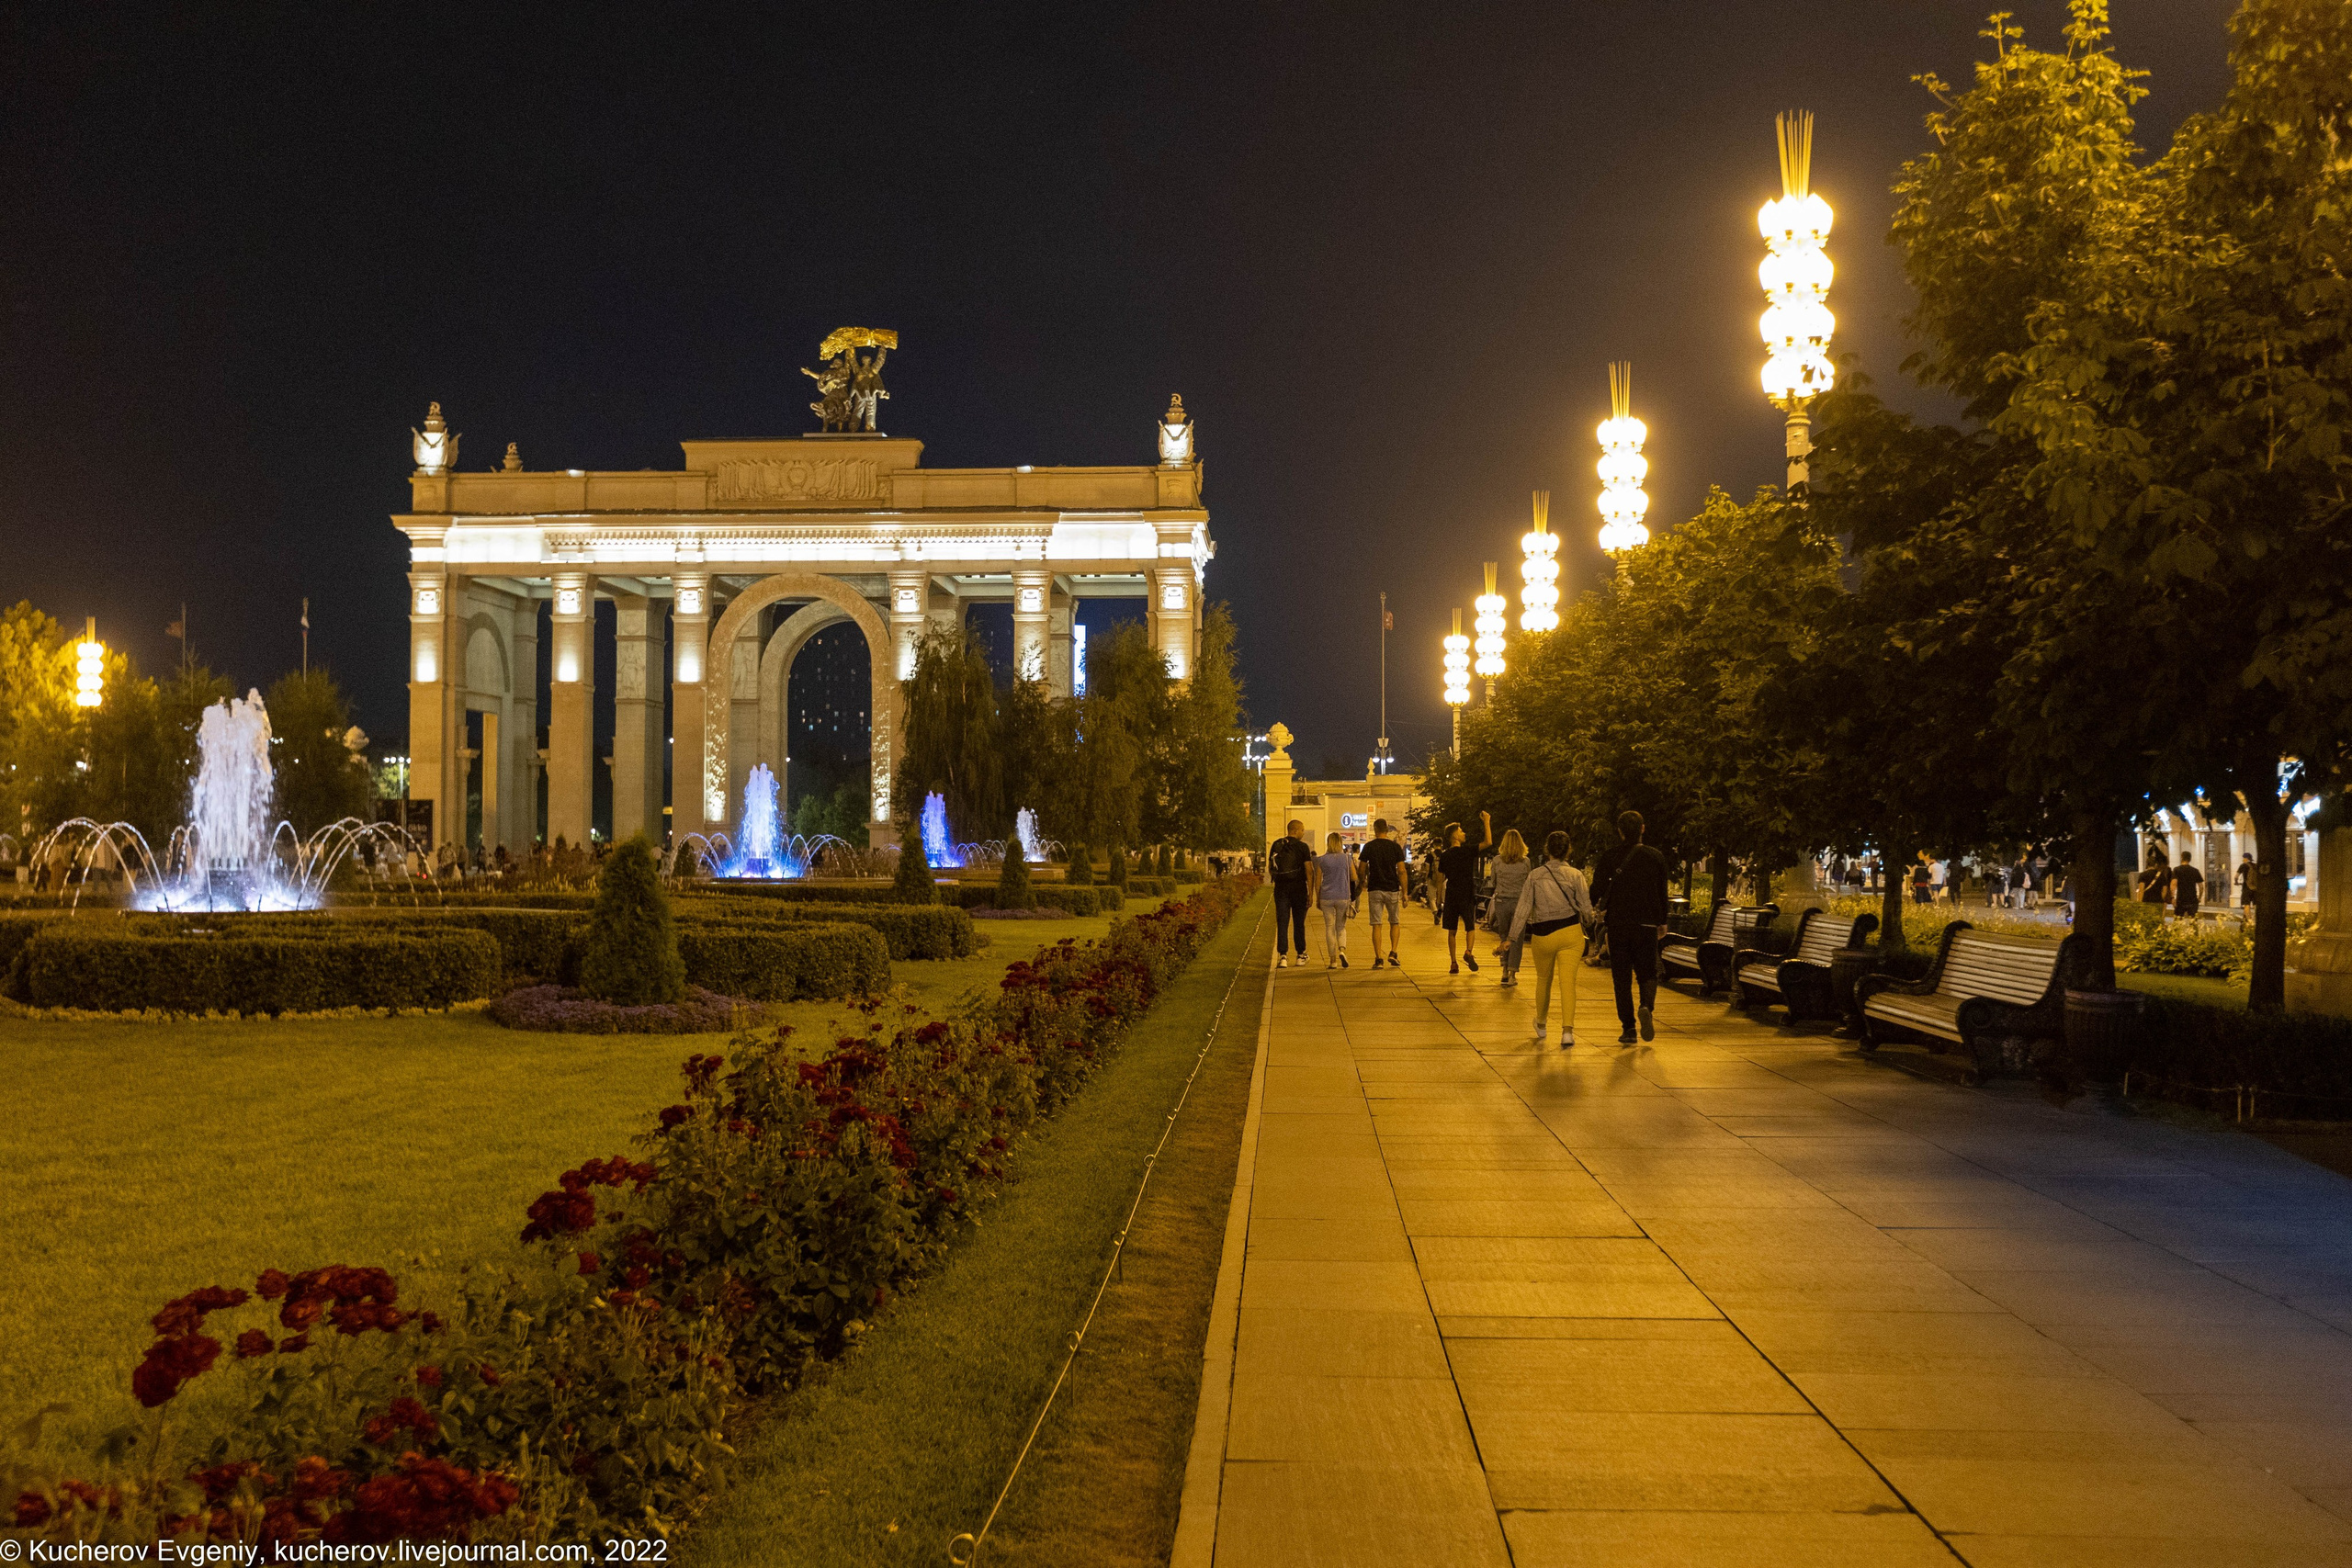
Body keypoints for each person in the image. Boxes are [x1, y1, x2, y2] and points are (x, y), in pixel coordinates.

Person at [1509, 829, 1596, 1044]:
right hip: (1570, 934)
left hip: (1543, 935)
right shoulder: (1576, 875)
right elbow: (1586, 910)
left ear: (1547, 850)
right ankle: (1567, 1031)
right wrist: (1592, 918)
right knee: (1568, 983)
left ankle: (1541, 1024)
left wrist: (1510, 938)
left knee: (1543, 980)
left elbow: (1523, 908)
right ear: (1568, 851)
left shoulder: (1535, 876)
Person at [1592, 810, 1670, 1043]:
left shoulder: (1610, 856)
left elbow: (1595, 889)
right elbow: (1662, 892)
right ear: (1642, 829)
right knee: (1647, 972)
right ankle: (1646, 1006)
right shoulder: (1656, 856)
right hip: (1646, 924)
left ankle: (1628, 1029)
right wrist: (1662, 920)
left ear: (1620, 831)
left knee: (1621, 978)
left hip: (1618, 925)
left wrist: (1595, 906)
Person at [1438, 812, 1492, 974]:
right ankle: (1468, 951)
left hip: (1452, 894)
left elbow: (1441, 879)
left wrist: (1438, 899)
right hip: (1467, 892)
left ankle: (1453, 962)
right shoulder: (1468, 851)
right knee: (1470, 926)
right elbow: (1488, 842)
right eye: (1461, 831)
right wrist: (1487, 822)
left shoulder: (1445, 856)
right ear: (1455, 835)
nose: (1464, 833)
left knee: (1452, 930)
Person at [1484, 829, 1533, 987]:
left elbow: (1493, 881)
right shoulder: (1526, 862)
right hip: (1520, 903)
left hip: (1501, 902)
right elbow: (1528, 883)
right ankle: (1512, 974)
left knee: (1504, 935)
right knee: (1516, 938)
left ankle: (1504, 970)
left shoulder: (1497, 861)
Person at [1358, 818, 1409, 968]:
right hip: (1392, 889)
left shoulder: (1368, 847)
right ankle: (1393, 952)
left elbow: (1361, 869)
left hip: (1375, 889)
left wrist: (1362, 883)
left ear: (1375, 829)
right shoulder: (1395, 847)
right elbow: (1401, 871)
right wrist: (1405, 892)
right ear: (1387, 830)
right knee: (1394, 921)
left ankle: (1379, 959)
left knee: (1376, 924)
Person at [1268, 819, 1316, 968]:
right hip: (1298, 888)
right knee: (1298, 922)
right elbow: (1309, 870)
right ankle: (1300, 955)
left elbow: (1271, 868)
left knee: (1282, 922)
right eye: (1302, 830)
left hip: (1281, 889)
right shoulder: (1302, 847)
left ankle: (1283, 956)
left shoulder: (1277, 844)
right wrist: (1311, 893)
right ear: (1295, 830)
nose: (1303, 832)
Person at [1313, 832, 1358, 969]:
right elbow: (1354, 877)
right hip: (1343, 896)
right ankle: (1342, 950)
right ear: (1340, 843)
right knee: (1341, 927)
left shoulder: (1322, 860)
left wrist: (1317, 898)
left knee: (1329, 928)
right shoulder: (1346, 858)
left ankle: (1333, 961)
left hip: (1326, 896)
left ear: (1328, 843)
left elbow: (1318, 881)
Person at [2172, 852, 2204, 918]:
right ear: (2190, 859)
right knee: (2193, 922)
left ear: (2181, 858)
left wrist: (2172, 897)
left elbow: (2173, 884)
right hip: (2192, 900)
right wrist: (2199, 898)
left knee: (2178, 922)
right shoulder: (2195, 871)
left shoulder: (2176, 870)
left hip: (2180, 899)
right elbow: (2201, 886)